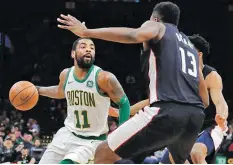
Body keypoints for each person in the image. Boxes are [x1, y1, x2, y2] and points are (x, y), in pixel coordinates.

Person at [57, 1, 209, 163]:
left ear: (155, 18)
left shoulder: (158, 26)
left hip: (166, 111)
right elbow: (205, 100)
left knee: (103, 152)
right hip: (195, 116)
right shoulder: (191, 49)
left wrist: (86, 32)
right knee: (177, 161)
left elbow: (134, 35)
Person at [37, 38, 130, 164]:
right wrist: (38, 90)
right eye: (83, 46)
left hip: (91, 141)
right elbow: (60, 91)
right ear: (73, 53)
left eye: (92, 48)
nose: (88, 49)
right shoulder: (66, 74)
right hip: (67, 133)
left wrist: (120, 137)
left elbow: (124, 103)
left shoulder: (104, 78)